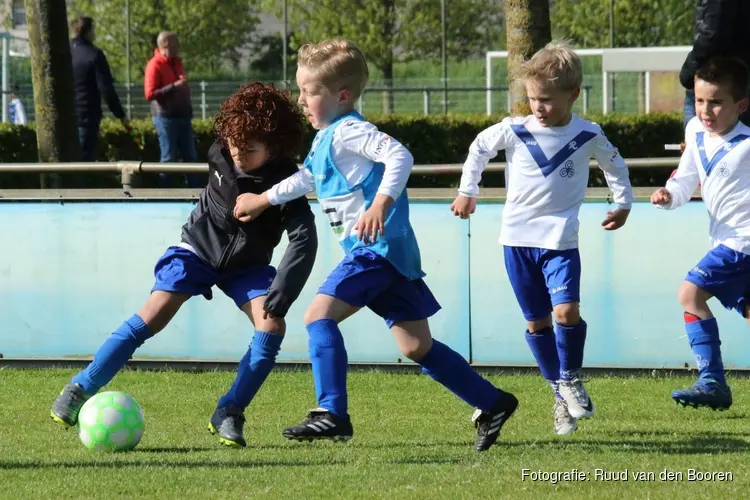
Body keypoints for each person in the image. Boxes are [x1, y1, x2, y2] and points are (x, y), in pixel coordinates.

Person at [234, 38, 518, 453]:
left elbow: (400, 155)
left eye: (309, 92)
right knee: (415, 345)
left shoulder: (351, 131)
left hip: (376, 250)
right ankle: (493, 403)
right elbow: (308, 179)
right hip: (389, 256)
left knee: (317, 316)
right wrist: (262, 200)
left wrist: (379, 205)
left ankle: (331, 412)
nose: (301, 99)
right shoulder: (329, 135)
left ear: (341, 95)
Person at [50, 82, 318, 448]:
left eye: (249, 149)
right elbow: (229, 190)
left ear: (274, 146)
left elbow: (305, 239)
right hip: (196, 249)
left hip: (248, 267)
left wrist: (283, 292)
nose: (237, 153)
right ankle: (81, 386)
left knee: (272, 325)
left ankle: (229, 411)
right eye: (233, 143)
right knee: (155, 311)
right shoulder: (220, 152)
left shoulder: (288, 184)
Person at [451, 41, 633, 436]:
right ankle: (559, 394)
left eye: (547, 100)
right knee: (537, 323)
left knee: (566, 312)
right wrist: (469, 190)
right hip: (516, 241)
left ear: (573, 94)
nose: (538, 107)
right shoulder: (516, 130)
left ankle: (570, 378)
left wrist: (623, 203)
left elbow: (614, 164)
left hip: (560, 242)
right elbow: (480, 147)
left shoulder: (588, 133)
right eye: (532, 98)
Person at [652, 56, 750, 411]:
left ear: (741, 105)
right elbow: (685, 177)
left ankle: (712, 381)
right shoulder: (694, 130)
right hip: (725, 241)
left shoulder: (747, 145)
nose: (706, 109)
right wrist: (669, 195)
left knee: (690, 294)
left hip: (743, 242)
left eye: (717, 102)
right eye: (700, 100)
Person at [680, 0, 750, 129]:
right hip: (734, 82)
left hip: (720, 81)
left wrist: (688, 73)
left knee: (702, 144)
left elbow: (713, 34)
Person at [144, 31, 201, 188]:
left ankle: (197, 195)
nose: (179, 47)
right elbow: (150, 94)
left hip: (183, 116)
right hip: (166, 118)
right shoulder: (154, 65)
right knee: (168, 158)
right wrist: (174, 87)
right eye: (176, 44)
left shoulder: (176, 62)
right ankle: (163, 195)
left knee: (191, 157)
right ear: (166, 45)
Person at [70, 16, 130, 161]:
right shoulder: (94, 54)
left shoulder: (65, 53)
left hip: (65, 115)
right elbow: (106, 89)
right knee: (84, 159)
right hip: (86, 114)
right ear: (88, 31)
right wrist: (121, 115)